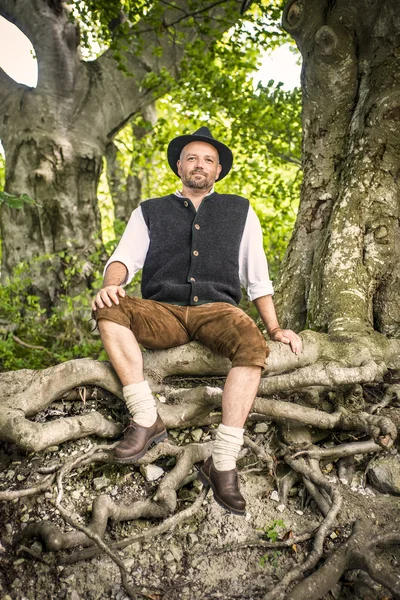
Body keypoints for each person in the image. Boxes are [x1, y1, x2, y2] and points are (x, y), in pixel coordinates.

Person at [92, 127, 302, 516]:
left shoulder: (239, 210)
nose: (199, 165)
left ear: (218, 170)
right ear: (179, 166)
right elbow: (123, 258)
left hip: (218, 311)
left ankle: (222, 462)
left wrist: (275, 328)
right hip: (163, 310)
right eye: (191, 158)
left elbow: (256, 277)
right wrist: (111, 285)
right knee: (109, 307)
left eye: (208, 160)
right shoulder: (149, 211)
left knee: (253, 345)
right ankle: (145, 417)